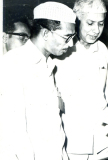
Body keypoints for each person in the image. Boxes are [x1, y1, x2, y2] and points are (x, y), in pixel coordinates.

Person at [0, 2, 76, 160]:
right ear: (46, 34)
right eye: (67, 37)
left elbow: (55, 129)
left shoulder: (47, 64)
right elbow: (13, 135)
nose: (71, 44)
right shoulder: (13, 64)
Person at [53, 0, 108, 159]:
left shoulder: (103, 50)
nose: (96, 30)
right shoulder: (62, 49)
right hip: (72, 134)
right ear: (77, 21)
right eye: (90, 23)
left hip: (100, 135)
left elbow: (101, 91)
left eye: (100, 23)